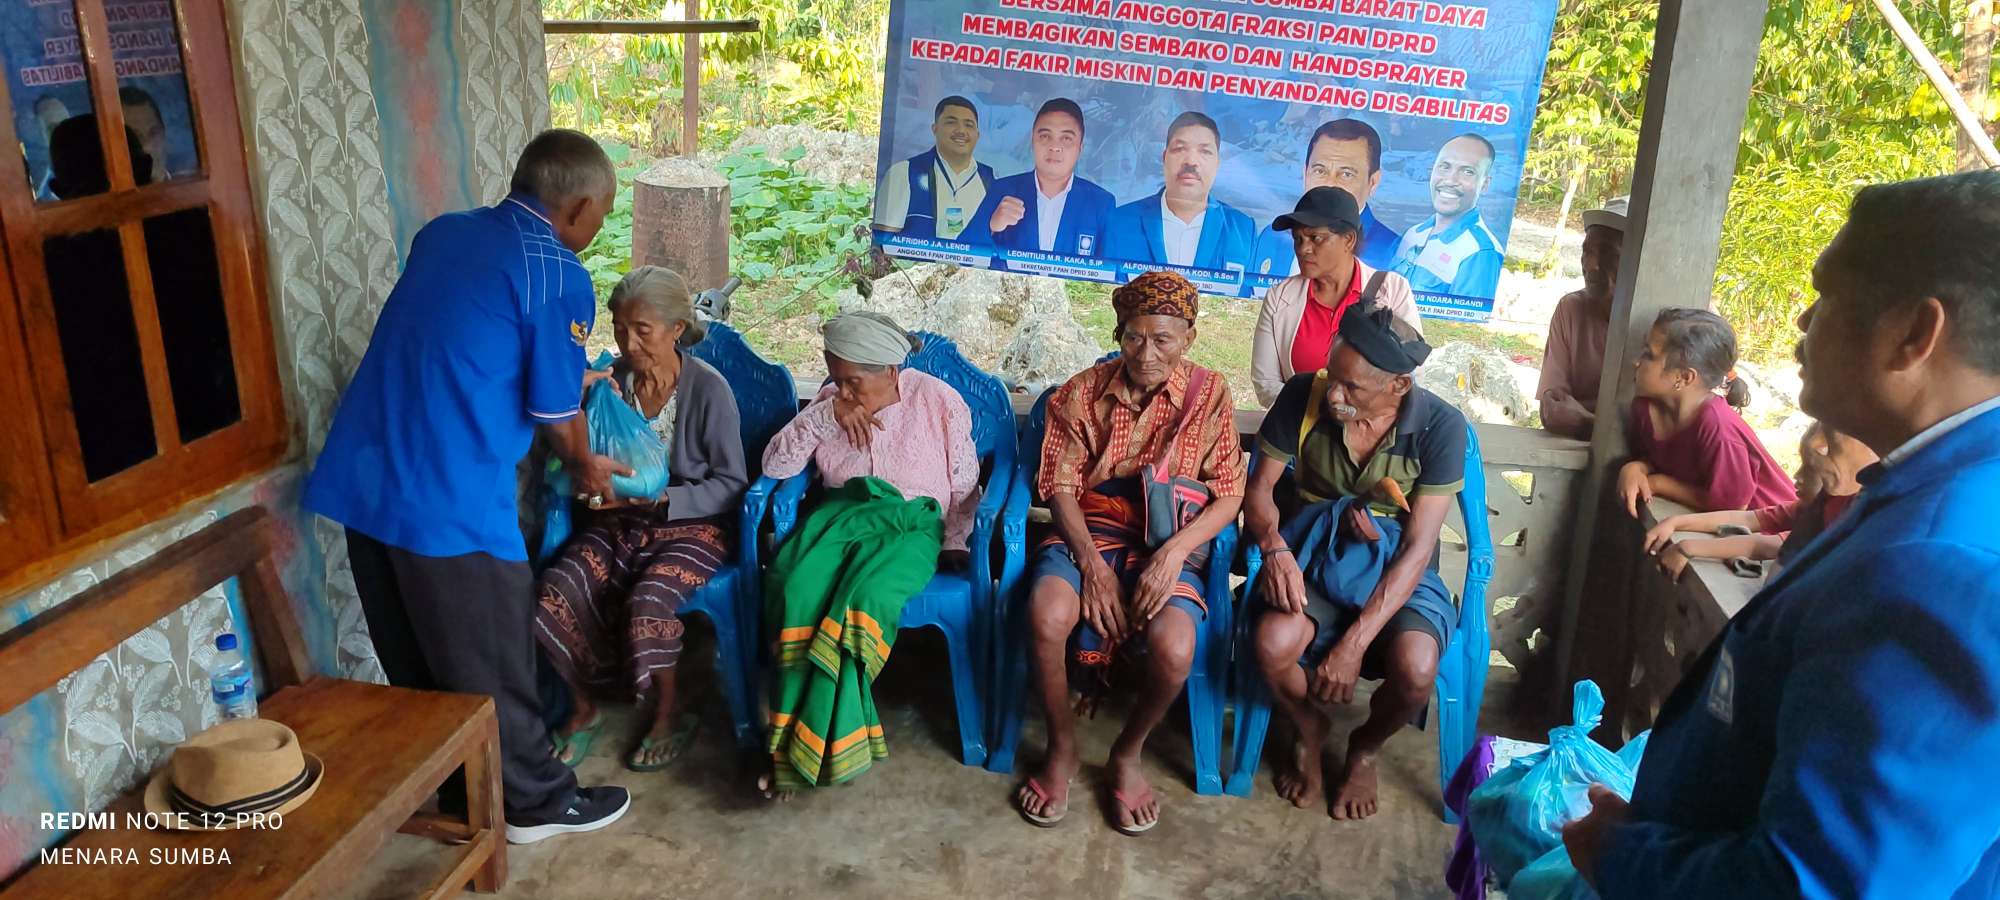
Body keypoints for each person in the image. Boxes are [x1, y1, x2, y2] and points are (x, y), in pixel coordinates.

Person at [1564, 171, 2000, 900]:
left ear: (1914, 335)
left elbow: (1819, 887)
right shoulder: (1930, 483)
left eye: (1827, 296)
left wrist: (1623, 856)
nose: (1802, 320)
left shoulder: (1946, 565)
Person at [302, 129, 631, 844]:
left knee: (417, 658)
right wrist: (585, 463)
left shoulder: (445, 233)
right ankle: (535, 805)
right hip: (447, 497)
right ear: (578, 207)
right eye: (602, 215)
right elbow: (556, 417)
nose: (599, 230)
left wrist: (554, 372)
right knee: (493, 659)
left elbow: (466, 336)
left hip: (366, 477)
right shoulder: (557, 271)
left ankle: (461, 789)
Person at [1012, 271, 1246, 835]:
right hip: (1090, 530)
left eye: (1163, 339)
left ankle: (1127, 753)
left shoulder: (1209, 393)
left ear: (1188, 337)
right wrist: (1092, 567)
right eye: (1135, 337)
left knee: (1175, 644)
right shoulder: (1081, 392)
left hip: (1168, 537)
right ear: (1119, 334)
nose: (1146, 353)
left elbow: (1230, 492)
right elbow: (1060, 488)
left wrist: (1174, 555)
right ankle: (1062, 748)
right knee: (1047, 613)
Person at [1246, 303, 1465, 821]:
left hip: (1395, 569)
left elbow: (1418, 547)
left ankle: (1365, 748)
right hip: (1313, 551)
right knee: (1272, 643)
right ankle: (1308, 726)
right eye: (1333, 376)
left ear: (1399, 386)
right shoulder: (1304, 394)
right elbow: (1259, 492)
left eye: (1352, 388)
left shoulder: (1440, 426)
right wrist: (1274, 547)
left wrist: (1354, 643)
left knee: (1417, 669)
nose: (1334, 395)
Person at [534, 267, 747, 773]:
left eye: (642, 331)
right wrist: (589, 484)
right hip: (616, 523)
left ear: (677, 329)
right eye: (619, 328)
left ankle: (669, 710)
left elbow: (731, 483)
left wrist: (663, 500)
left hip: (691, 525)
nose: (628, 344)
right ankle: (584, 706)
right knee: (554, 591)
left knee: (649, 601)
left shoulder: (708, 390)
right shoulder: (610, 384)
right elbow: (580, 458)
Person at [757, 312, 979, 797]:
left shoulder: (938, 400)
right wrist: (824, 415)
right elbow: (775, 465)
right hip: (840, 518)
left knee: (864, 602)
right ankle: (795, 744)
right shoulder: (829, 403)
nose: (844, 392)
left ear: (891, 371)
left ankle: (806, 753)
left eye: (853, 382)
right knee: (795, 587)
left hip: (910, 526)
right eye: (835, 379)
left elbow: (964, 484)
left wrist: (955, 541)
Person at [1249, 186, 1424, 408]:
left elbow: (1410, 374)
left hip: (1369, 426)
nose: (1303, 249)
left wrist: (1352, 413)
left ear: (1349, 240)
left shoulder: (1392, 290)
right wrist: (1322, 411)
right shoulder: (1279, 297)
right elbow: (1265, 383)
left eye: (1315, 238)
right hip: (1301, 426)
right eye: (1298, 239)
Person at [1642, 422, 1876, 582]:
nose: (1797, 476)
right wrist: (1676, 522)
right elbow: (1748, 518)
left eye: (1810, 469)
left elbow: (1763, 546)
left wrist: (1688, 548)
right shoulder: (1813, 507)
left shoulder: (1844, 515)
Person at [1618, 308, 1796, 516]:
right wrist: (1638, 467)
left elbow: (1733, 505)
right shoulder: (1644, 410)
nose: (1636, 361)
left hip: (1777, 524)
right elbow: (1668, 459)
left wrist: (1658, 483)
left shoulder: (1718, 427)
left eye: (1649, 355)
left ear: (1684, 377)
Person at [1102, 112, 1255, 272]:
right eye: (1180, 149)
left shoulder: (1243, 230)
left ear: (1217, 163)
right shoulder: (1119, 221)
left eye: (1204, 151)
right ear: (1164, 158)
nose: (1191, 161)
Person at [1249, 119, 1402, 278]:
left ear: (1373, 182)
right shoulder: (1272, 237)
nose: (1330, 184)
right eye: (1320, 171)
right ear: (1305, 174)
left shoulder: (1394, 253)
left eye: (1346, 174)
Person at [966, 97, 1115, 257]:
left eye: (1066, 138)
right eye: (1045, 136)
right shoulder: (1003, 190)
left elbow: (1112, 266)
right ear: (1032, 142)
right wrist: (991, 227)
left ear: (1080, 147)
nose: (1055, 147)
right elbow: (961, 251)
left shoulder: (1101, 203)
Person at [1538, 198, 1628, 439]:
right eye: (1586, 251)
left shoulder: (1669, 322)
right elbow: (1554, 410)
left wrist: (1587, 423)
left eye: (1606, 253)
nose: (1590, 264)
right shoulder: (1571, 309)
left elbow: (1667, 433)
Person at [1390, 134, 1505, 300]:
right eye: (1444, 167)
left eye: (1468, 172)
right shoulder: (1414, 233)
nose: (1450, 180)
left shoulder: (1480, 253)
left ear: (1485, 184)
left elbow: (1464, 316)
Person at [874, 96, 992, 241]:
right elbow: (881, 243)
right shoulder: (904, 173)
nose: (961, 130)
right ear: (935, 129)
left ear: (977, 135)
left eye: (969, 125)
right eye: (951, 122)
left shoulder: (991, 180)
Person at [119, 87, 172, 184]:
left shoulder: (189, 184)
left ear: (164, 133)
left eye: (154, 133)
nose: (147, 147)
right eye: (136, 137)